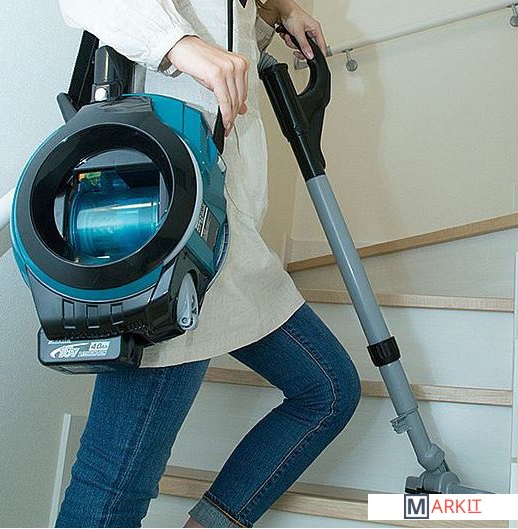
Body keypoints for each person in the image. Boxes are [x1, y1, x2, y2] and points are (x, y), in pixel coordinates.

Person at [55, 1, 361, 527]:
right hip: (169, 232)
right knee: (116, 485)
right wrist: (179, 45)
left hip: (223, 233)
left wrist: (278, 10)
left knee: (328, 390)